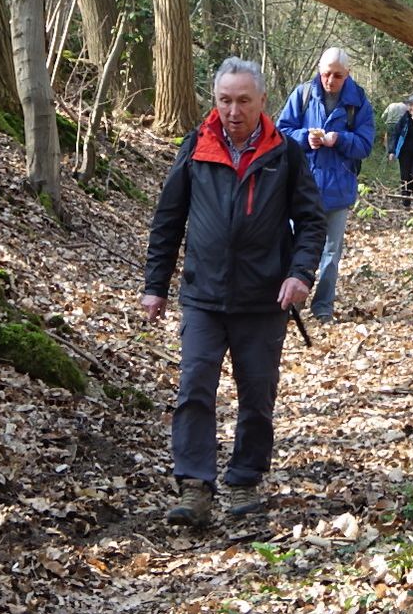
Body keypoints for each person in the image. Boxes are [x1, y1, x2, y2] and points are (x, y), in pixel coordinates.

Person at [142, 57, 326, 528]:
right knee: (194, 389)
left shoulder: (283, 152)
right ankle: (194, 486)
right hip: (203, 295)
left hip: (264, 299)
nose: (233, 110)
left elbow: (311, 221)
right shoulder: (196, 147)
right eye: (225, 100)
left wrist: (300, 274)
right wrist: (154, 287)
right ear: (215, 101)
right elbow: (168, 220)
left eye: (243, 100)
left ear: (262, 101)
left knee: (257, 394)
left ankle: (244, 479)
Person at [276, 47, 375, 323]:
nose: (330, 81)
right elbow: (281, 133)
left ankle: (323, 307)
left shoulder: (358, 102)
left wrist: (338, 140)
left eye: (337, 76)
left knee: (331, 253)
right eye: (326, 74)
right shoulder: (304, 94)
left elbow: (366, 145)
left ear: (348, 75)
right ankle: (289, 304)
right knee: (294, 247)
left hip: (338, 189)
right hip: (302, 187)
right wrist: (305, 137)